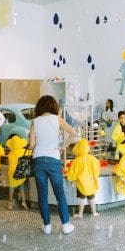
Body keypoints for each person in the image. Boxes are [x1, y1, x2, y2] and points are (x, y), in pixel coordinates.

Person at [28, 95, 76, 235]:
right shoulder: (57, 119)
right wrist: (63, 147)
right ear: (53, 106)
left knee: (42, 194)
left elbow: (31, 145)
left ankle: (47, 226)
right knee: (59, 193)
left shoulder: (34, 122)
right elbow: (73, 133)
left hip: (38, 159)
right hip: (54, 158)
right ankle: (66, 225)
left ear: (40, 107)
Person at [66, 138, 101, 218]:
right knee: (92, 197)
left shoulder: (76, 160)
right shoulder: (93, 159)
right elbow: (97, 168)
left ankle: (80, 213)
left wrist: (70, 178)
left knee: (82, 198)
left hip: (81, 182)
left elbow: (72, 172)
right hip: (91, 182)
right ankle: (94, 212)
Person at [6, 135, 29, 210]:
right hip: (20, 172)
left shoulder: (10, 153)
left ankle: (10, 203)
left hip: (12, 173)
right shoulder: (23, 151)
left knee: (12, 187)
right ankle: (23, 202)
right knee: (21, 186)